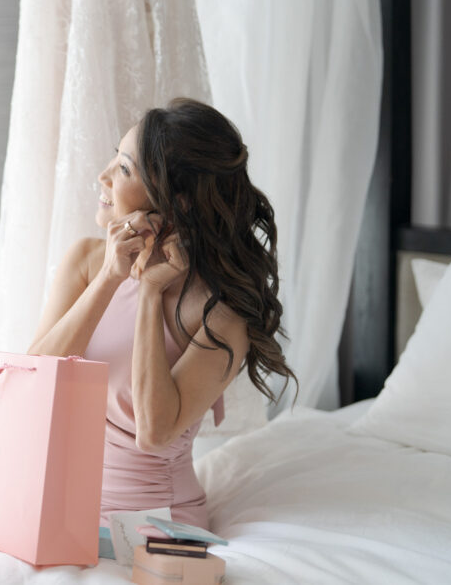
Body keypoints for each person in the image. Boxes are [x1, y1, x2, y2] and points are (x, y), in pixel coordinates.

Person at [27, 97, 298, 530]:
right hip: (59, 510)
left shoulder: (221, 314)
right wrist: (111, 279)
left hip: (154, 525)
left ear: (179, 202)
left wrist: (150, 292)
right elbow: (35, 384)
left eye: (124, 169)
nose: (103, 176)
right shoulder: (86, 261)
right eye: (115, 159)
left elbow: (154, 433)